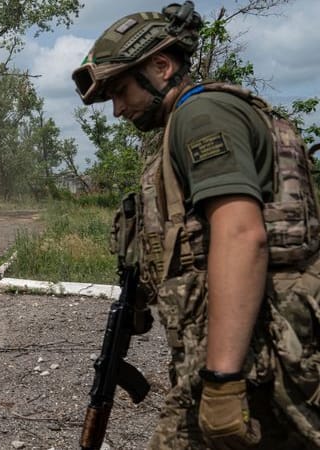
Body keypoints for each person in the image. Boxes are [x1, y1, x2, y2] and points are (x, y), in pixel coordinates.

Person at [72, 2, 320, 449]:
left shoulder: (200, 117)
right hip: (253, 346)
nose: (117, 110)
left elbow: (241, 233)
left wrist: (222, 381)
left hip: (254, 355)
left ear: (162, 66)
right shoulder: (186, 123)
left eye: (121, 90)